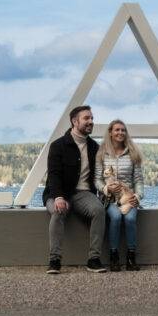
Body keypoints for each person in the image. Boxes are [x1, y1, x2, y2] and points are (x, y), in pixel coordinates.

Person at [43, 105, 107, 274]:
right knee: (58, 212)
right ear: (74, 121)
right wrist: (58, 197)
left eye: (92, 119)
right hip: (58, 193)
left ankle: (94, 259)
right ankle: (54, 261)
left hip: (83, 194)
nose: (91, 122)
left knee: (99, 210)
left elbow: (100, 176)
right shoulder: (58, 145)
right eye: (87, 118)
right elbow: (54, 174)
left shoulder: (94, 147)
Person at [95, 119, 144, 272]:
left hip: (128, 197)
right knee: (115, 217)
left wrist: (138, 195)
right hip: (109, 199)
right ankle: (113, 256)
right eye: (117, 130)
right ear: (110, 132)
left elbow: (138, 180)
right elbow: (96, 179)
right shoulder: (102, 153)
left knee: (130, 218)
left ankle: (131, 258)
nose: (120, 133)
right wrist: (106, 188)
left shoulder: (133, 153)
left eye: (123, 130)